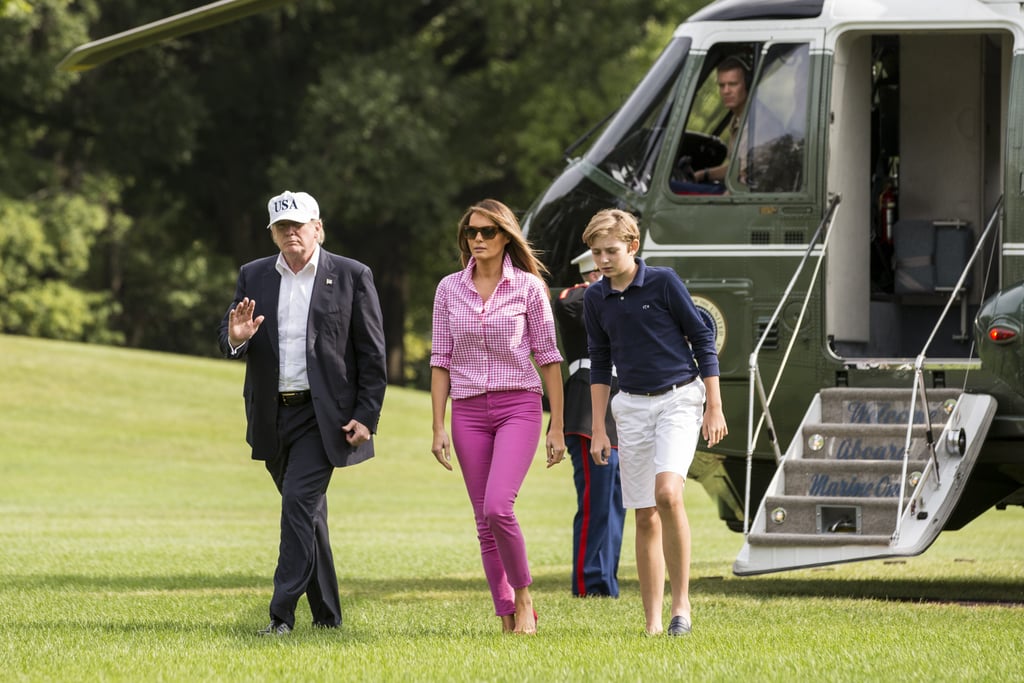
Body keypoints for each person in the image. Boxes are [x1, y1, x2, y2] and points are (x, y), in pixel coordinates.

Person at [217, 190, 387, 636]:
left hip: (323, 417)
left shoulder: (351, 275)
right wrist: (236, 338)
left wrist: (367, 416)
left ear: (318, 227)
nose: (290, 232)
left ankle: (281, 616)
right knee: (307, 515)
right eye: (281, 226)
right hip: (272, 415)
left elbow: (372, 355)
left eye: (299, 224)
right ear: (272, 232)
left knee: (296, 505)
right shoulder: (252, 275)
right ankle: (328, 615)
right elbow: (230, 336)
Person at [581, 208, 727, 637]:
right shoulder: (594, 298)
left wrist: (714, 406)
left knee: (668, 493)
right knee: (644, 514)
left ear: (632, 245)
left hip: (680, 399)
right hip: (630, 406)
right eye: (595, 253)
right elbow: (600, 361)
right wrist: (598, 427)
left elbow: (702, 338)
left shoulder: (664, 282)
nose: (602, 260)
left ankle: (681, 607)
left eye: (610, 250)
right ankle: (652, 623)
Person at [429, 198, 566, 635]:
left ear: (506, 236)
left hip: (518, 407)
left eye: (488, 231)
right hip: (467, 411)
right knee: (482, 521)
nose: (479, 239)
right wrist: (437, 426)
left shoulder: (528, 288)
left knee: (497, 507)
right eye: (472, 232)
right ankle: (504, 614)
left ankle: (523, 598)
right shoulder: (448, 289)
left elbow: (548, 357)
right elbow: (440, 360)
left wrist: (557, 424)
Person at [553, 250, 625, 598]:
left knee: (616, 502)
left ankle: (606, 582)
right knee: (595, 500)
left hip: (620, 404)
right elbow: (567, 302)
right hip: (584, 407)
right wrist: (602, 284)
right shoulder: (576, 298)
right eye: (600, 269)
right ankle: (588, 583)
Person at [695, 55, 751, 185]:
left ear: (747, 86)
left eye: (733, 84)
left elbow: (743, 177)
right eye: (721, 85)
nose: (726, 91)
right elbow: (736, 168)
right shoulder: (737, 118)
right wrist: (703, 174)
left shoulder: (753, 123)